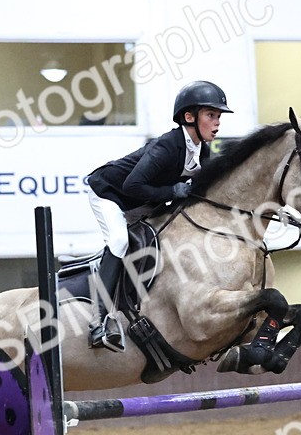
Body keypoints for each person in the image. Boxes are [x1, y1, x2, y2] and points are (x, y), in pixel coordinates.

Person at [83, 80, 232, 351]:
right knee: (119, 242)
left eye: (218, 116)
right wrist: (173, 190)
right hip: (110, 193)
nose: (217, 122)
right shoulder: (167, 146)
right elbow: (131, 185)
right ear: (189, 117)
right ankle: (99, 323)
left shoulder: (202, 151)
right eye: (211, 115)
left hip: (142, 202)